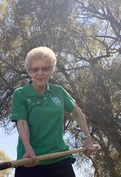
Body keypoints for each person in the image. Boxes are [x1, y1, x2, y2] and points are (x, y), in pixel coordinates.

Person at [10, 46, 94, 177]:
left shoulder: (59, 91)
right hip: (30, 159)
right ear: (29, 71)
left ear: (52, 69)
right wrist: (28, 148)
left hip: (60, 158)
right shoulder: (20, 94)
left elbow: (77, 112)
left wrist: (88, 139)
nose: (40, 73)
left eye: (45, 68)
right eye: (35, 69)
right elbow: (21, 123)